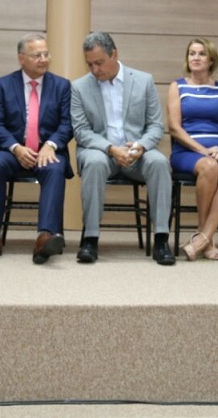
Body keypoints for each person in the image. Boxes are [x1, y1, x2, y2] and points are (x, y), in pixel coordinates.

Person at [71, 31, 175, 266]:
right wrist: (110, 149)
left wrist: (141, 146)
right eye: (89, 64)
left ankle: (161, 239)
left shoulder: (143, 81)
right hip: (101, 151)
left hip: (136, 152)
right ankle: (90, 240)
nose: (94, 69)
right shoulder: (79, 87)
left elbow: (156, 126)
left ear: (114, 55)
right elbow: (82, 131)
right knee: (94, 163)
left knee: (159, 163)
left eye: (99, 63)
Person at [0, 33, 73, 264]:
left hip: (46, 151)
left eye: (46, 54)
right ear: (21, 58)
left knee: (55, 169)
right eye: (36, 55)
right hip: (12, 151)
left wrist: (50, 145)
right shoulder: (3, 85)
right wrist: (16, 148)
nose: (43, 59)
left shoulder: (61, 86)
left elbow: (67, 124)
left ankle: (44, 237)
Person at [166, 37, 218, 261]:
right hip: (187, 152)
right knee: (209, 167)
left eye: (201, 54)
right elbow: (174, 128)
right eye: (192, 53)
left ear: (211, 60)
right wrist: (203, 150)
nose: (195, 58)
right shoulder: (177, 86)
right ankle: (207, 239)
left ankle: (202, 238)